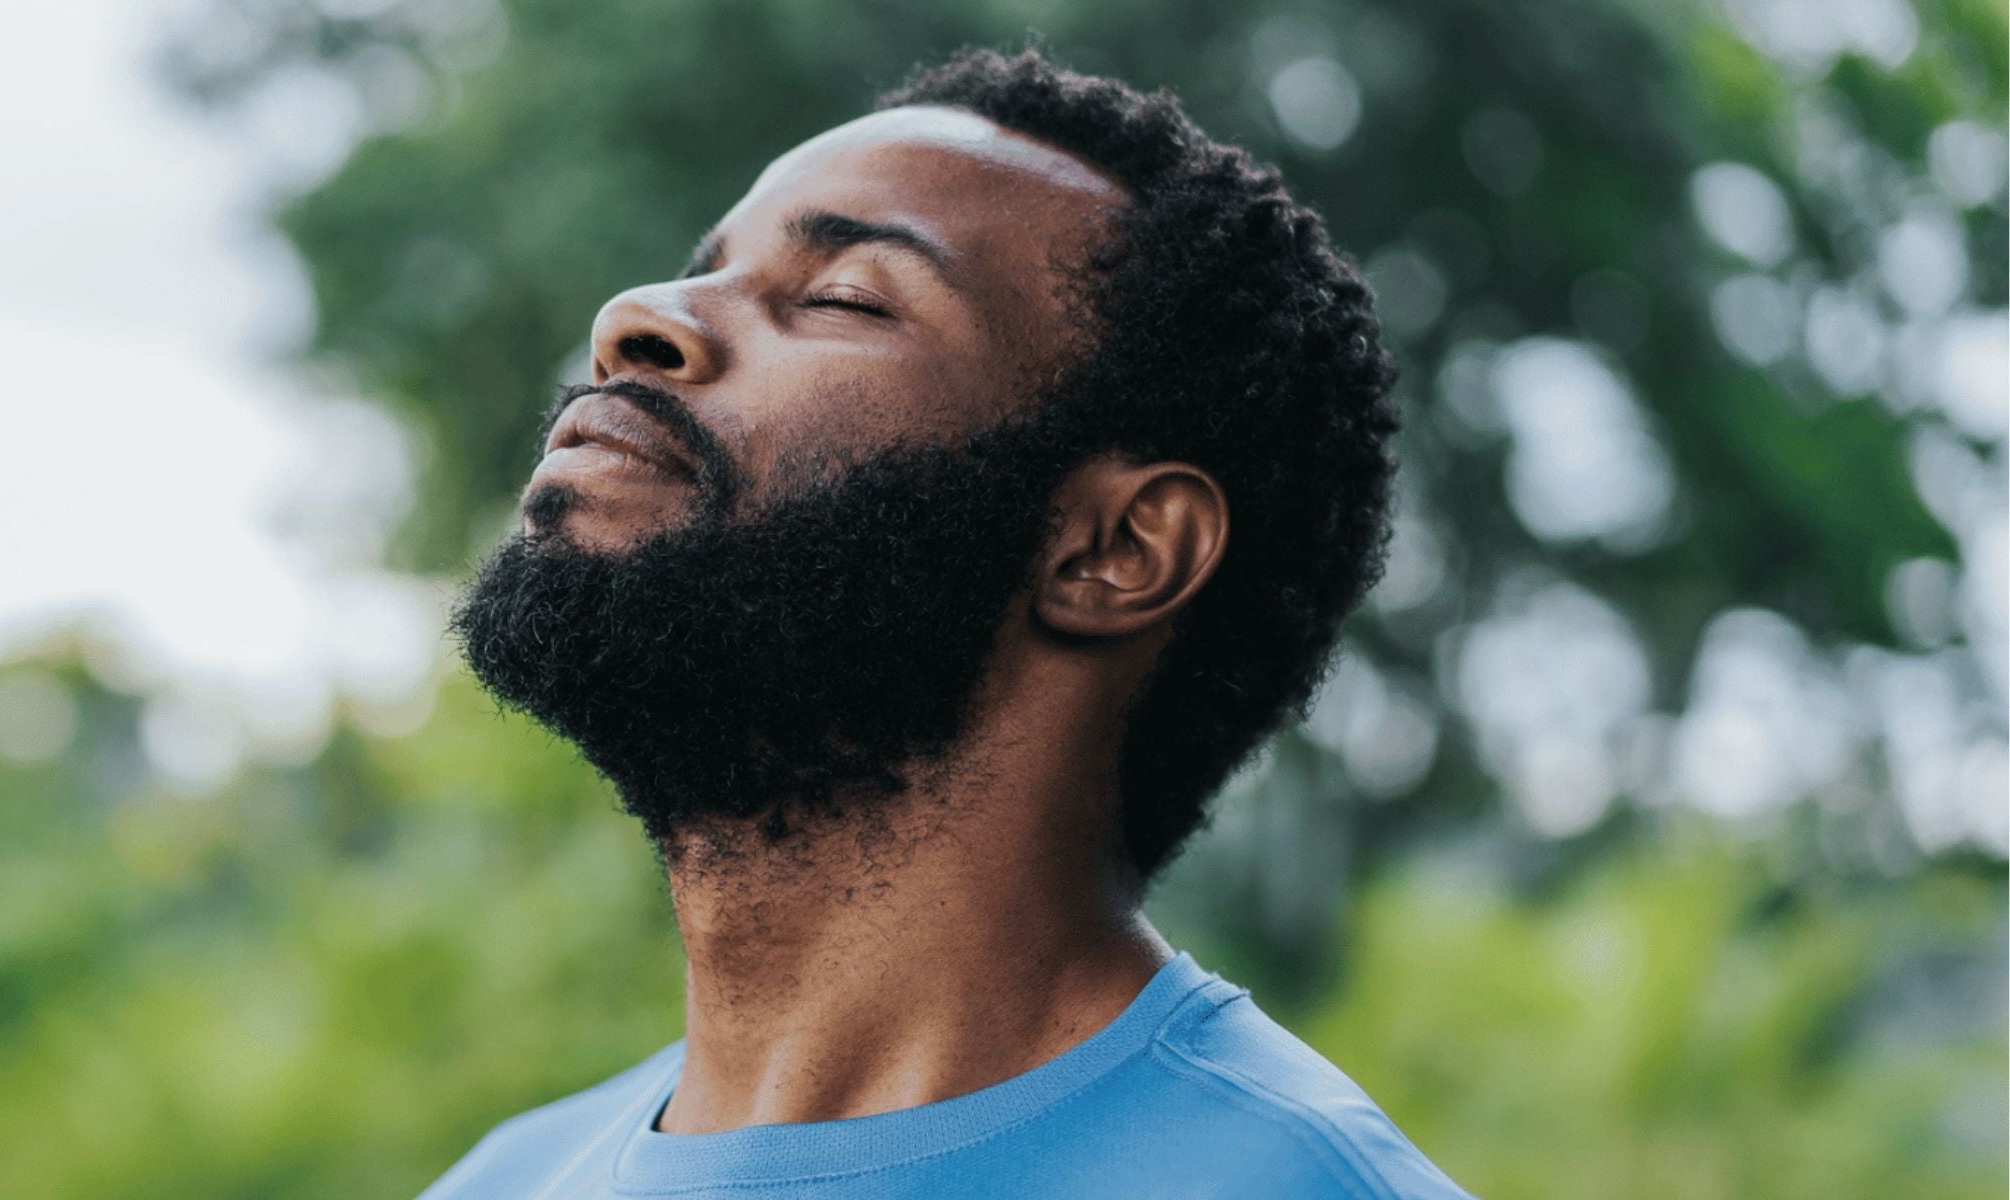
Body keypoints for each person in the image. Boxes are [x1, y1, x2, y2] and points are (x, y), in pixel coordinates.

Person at [426, 43, 1473, 1200]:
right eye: (706, 268)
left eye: (843, 297)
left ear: (1114, 550)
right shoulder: (499, 1181)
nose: (635, 318)